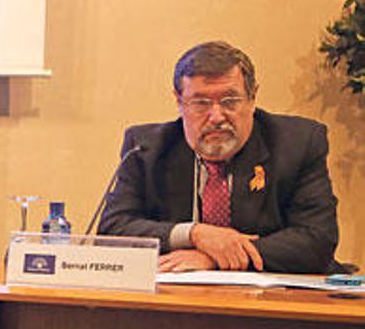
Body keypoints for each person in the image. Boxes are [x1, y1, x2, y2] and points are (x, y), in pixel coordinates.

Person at [98, 41, 341, 274]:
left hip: (276, 303)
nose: (216, 116)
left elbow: (317, 240)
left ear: (252, 98)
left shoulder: (297, 143)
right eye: (200, 103)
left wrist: (215, 257)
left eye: (230, 101)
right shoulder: (146, 148)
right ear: (179, 102)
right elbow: (112, 231)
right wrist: (194, 234)